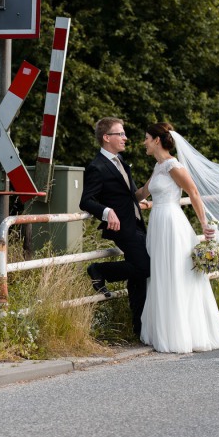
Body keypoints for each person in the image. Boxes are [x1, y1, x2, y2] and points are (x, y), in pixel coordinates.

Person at [137, 122, 219, 353]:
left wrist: (205, 225)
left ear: (157, 140)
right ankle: (165, 330)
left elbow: (194, 192)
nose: (144, 143)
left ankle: (181, 334)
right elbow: (141, 193)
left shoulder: (172, 165)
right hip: (158, 223)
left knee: (176, 274)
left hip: (172, 224)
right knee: (161, 273)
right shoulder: (159, 167)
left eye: (147, 138)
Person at [79, 117, 151, 335]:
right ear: (106, 137)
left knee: (139, 277)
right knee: (146, 267)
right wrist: (107, 211)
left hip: (137, 223)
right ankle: (99, 269)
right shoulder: (96, 167)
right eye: (120, 134)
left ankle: (139, 329)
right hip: (121, 227)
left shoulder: (120, 160)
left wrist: (144, 194)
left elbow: (130, 193)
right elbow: (86, 201)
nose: (125, 138)